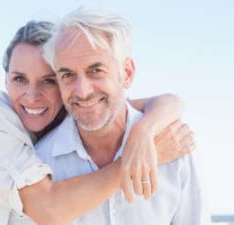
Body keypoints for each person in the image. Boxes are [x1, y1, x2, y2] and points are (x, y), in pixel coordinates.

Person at [0, 20, 194, 225]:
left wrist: (143, 131)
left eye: (48, 80)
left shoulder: (74, 110)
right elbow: (47, 208)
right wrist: (139, 161)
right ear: (5, 80)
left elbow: (161, 101)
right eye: (19, 79)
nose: (32, 96)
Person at [37, 9, 210, 225]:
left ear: (127, 73)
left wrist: (144, 130)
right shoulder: (40, 164)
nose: (82, 91)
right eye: (68, 75)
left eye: (96, 70)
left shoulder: (175, 146)